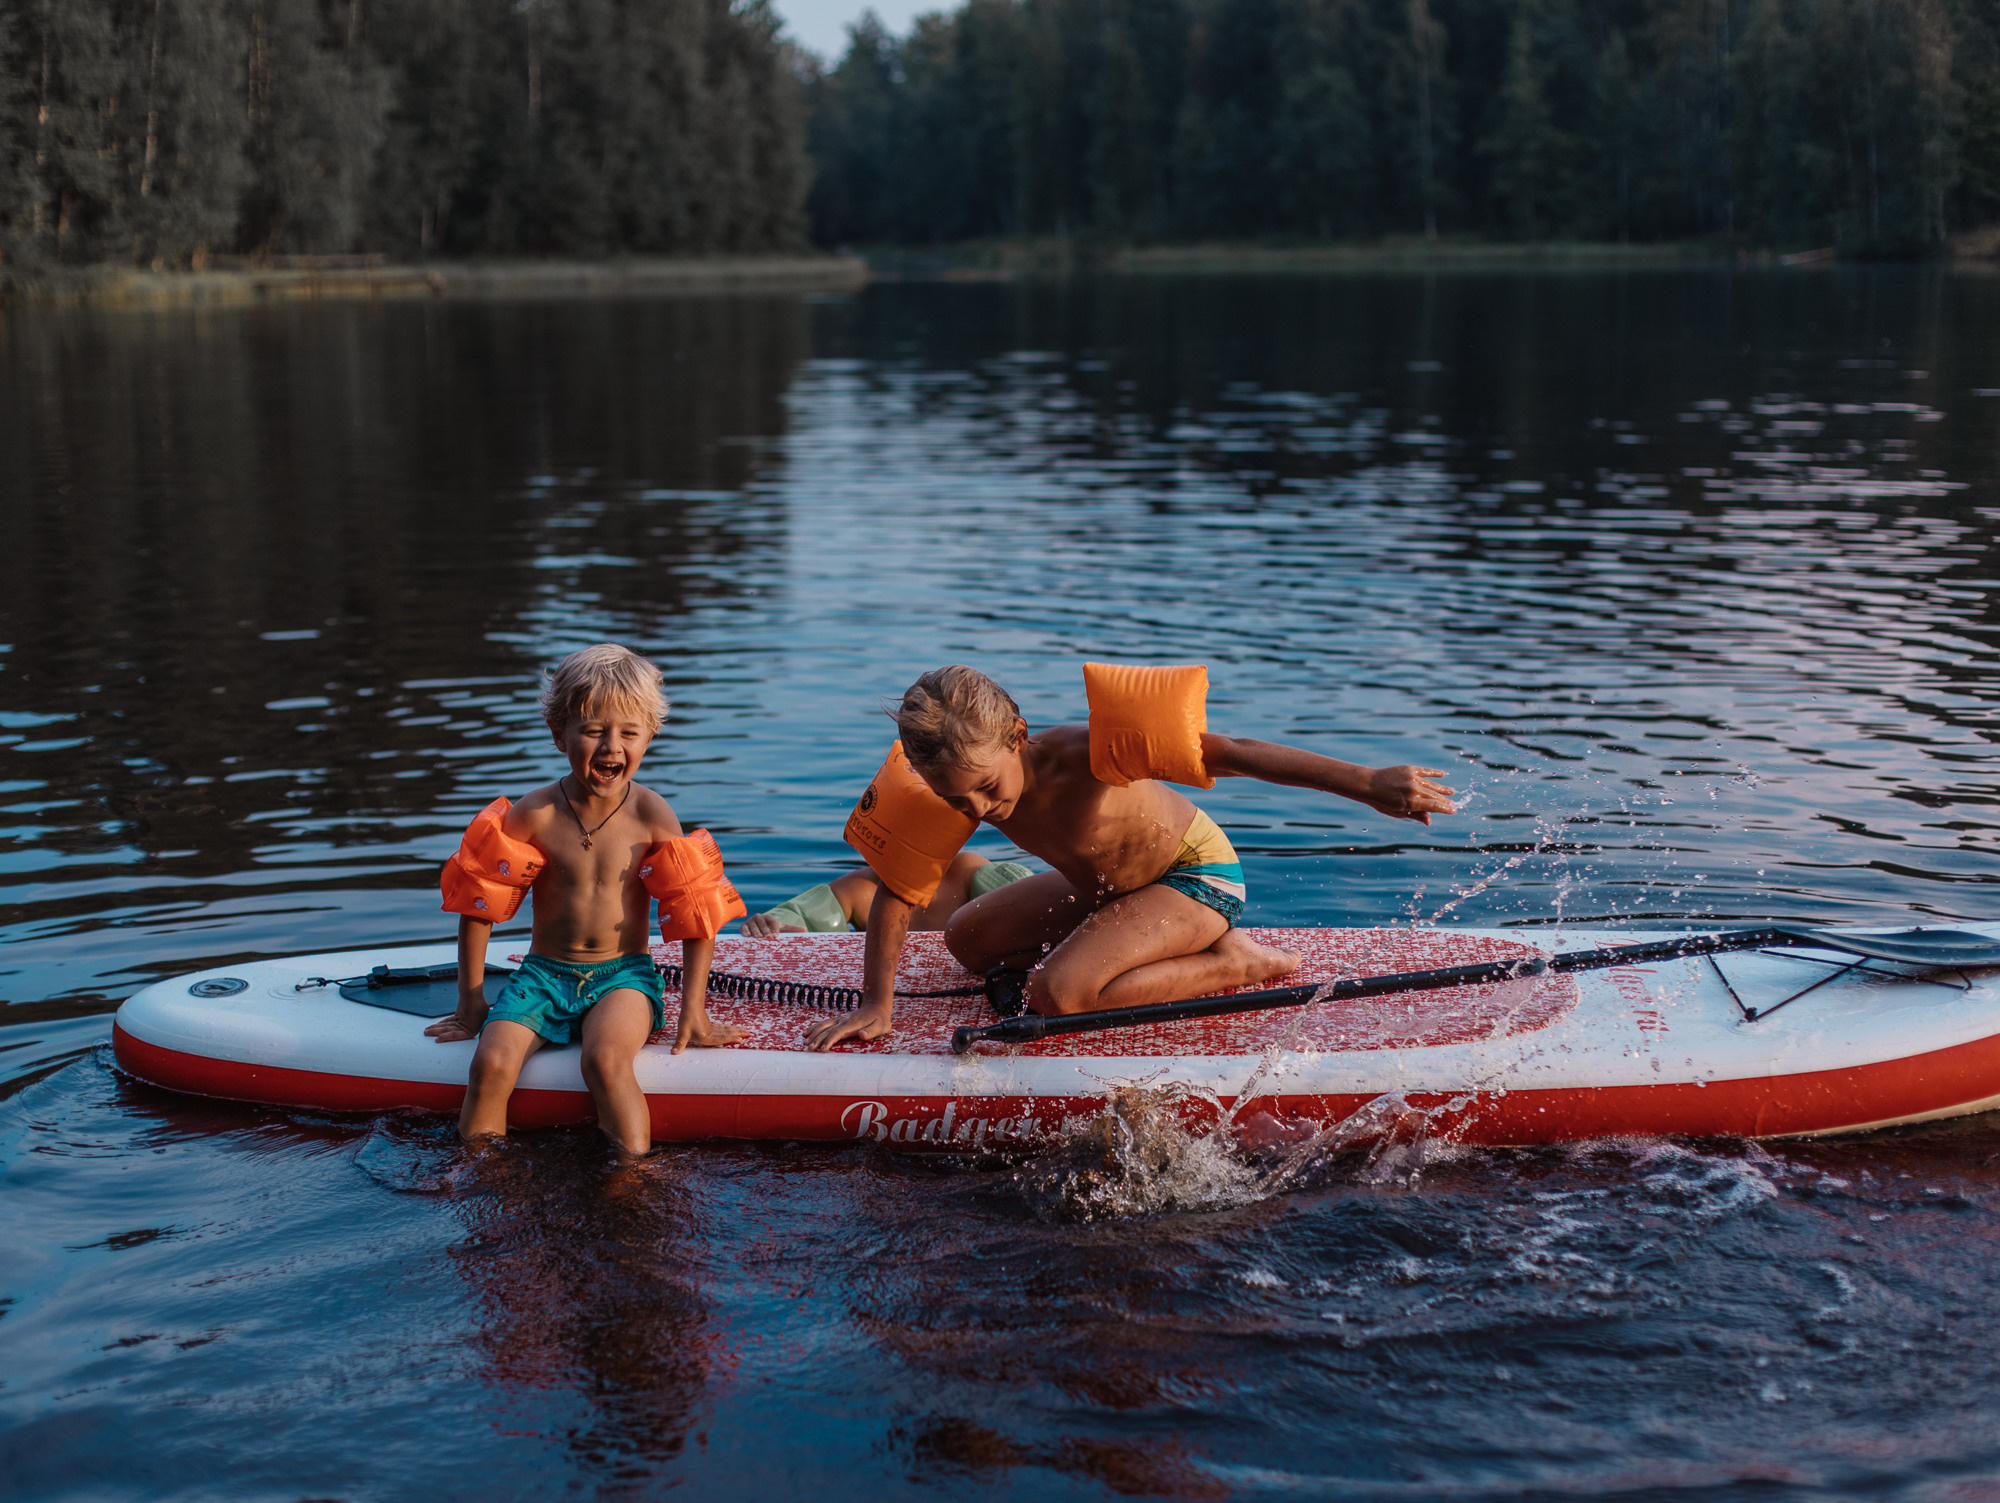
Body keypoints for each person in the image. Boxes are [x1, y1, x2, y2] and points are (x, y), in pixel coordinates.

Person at [804, 662, 1456, 1051]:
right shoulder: (955, 788)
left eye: (987, 787)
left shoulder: (1085, 756)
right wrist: (876, 1003)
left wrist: (1367, 783)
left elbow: (1231, 751)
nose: (977, 810)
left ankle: (1236, 959)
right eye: (956, 797)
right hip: (1106, 891)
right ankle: (1120, 942)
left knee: (1056, 993)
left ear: (1019, 738)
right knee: (965, 937)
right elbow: (899, 887)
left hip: (1195, 877)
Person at [424, 644, 747, 1152]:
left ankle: (634, 1180)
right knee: (491, 1063)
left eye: (628, 733)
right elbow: (477, 905)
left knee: (605, 1061)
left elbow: (695, 913)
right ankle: (479, 1178)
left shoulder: (652, 817)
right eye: (593, 731)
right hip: (542, 975)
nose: (610, 747)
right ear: (560, 734)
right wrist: (470, 1003)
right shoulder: (535, 816)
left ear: (650, 737)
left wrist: (695, 1012)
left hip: (622, 975)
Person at [740, 852, 1033, 937]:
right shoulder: (862, 890)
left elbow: (1045, 909)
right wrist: (770, 923)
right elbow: (802, 915)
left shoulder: (973, 876)